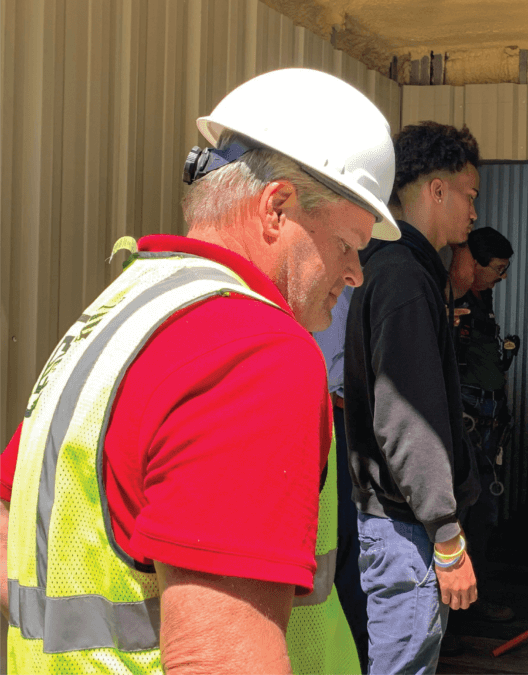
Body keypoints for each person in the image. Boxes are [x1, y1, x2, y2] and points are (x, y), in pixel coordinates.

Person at [0, 68, 399, 675]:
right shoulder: (254, 352)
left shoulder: (113, 317)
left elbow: (13, 527)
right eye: (348, 244)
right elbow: (221, 659)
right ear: (276, 208)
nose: (355, 275)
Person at [344, 121, 482, 674]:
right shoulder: (404, 279)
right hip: (407, 534)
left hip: (400, 529)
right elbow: (408, 423)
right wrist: (447, 539)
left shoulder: (400, 269)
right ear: (437, 190)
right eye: (469, 196)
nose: (474, 213)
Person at [450, 228, 520, 624]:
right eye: (498, 268)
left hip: (489, 423)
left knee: (486, 514)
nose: (502, 276)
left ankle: (476, 602)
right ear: (473, 263)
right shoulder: (449, 301)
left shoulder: (483, 299)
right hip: (466, 424)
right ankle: (454, 618)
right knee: (463, 514)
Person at [312, 286, 369, 672]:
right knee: (341, 545)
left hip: (348, 423)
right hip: (334, 418)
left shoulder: (347, 287)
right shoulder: (327, 293)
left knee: (348, 550)